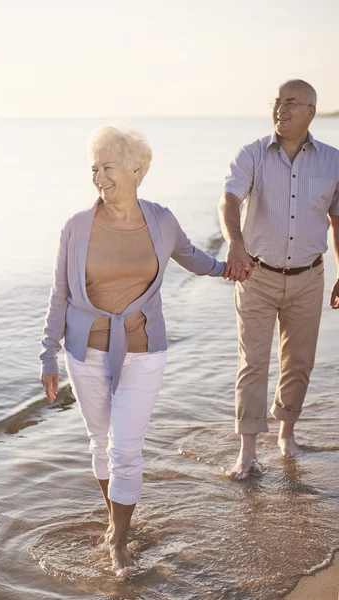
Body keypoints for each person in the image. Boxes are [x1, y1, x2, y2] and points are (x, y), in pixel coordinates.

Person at [39, 125, 227, 577]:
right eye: (93, 169)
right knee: (100, 445)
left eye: (107, 167)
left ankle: (119, 541)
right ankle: (114, 520)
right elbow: (60, 294)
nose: (98, 177)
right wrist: (48, 354)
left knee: (125, 449)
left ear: (136, 168)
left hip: (144, 348)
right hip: (85, 351)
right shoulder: (76, 227)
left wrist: (232, 268)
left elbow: (195, 259)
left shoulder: (161, 220)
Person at [218, 79, 339, 480]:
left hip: (309, 277)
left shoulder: (333, 162)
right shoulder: (252, 154)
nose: (280, 109)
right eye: (277, 102)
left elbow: (337, 222)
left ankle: (287, 433)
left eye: (291, 103)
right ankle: (248, 451)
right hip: (256, 275)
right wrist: (234, 242)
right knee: (252, 363)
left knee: (299, 362)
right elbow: (230, 199)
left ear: (310, 111)